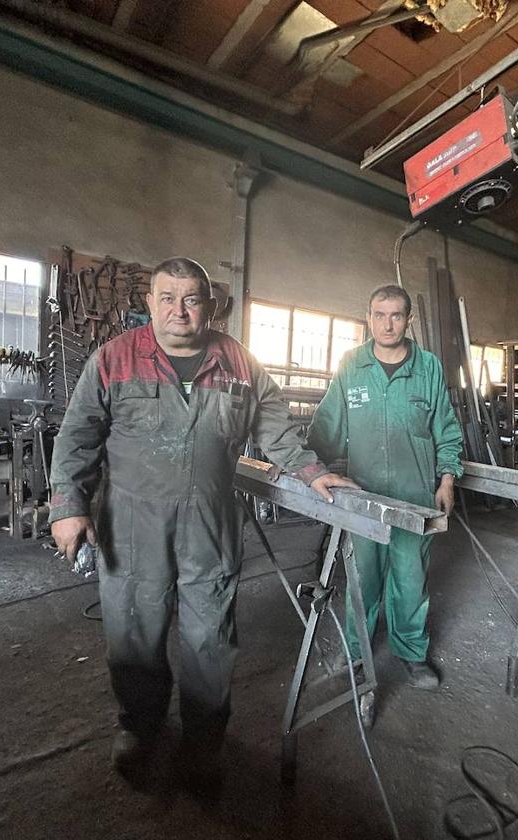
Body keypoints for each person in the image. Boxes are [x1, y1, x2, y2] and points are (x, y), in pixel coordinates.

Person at [48, 257, 356, 776]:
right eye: (167, 298)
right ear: (149, 303)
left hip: (210, 525)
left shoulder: (240, 363)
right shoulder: (113, 359)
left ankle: (205, 740)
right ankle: (140, 726)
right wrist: (67, 506)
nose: (179, 310)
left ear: (208, 307)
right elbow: (77, 435)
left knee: (210, 637)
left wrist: (309, 470)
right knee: (133, 631)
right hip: (131, 524)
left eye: (191, 299)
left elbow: (276, 429)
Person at [308, 284, 463, 696]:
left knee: (411, 580)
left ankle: (411, 652)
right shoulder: (351, 365)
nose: (387, 323)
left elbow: (445, 428)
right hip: (363, 499)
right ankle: (357, 651)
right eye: (379, 314)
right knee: (362, 578)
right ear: (369, 318)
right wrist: (304, 466)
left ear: (408, 320)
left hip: (415, 497)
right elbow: (326, 427)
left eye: (396, 315)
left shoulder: (428, 367)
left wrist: (447, 478)